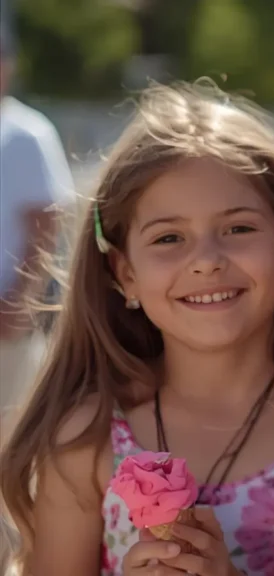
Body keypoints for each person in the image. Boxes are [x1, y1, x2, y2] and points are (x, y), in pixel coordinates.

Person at [0, 82, 274, 576]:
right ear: (125, 274)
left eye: (238, 229)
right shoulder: (86, 440)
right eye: (169, 238)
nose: (206, 261)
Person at [0, 8, 75, 443]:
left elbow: (45, 225)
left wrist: (20, 303)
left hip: (6, 316)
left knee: (9, 434)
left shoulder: (26, 132)